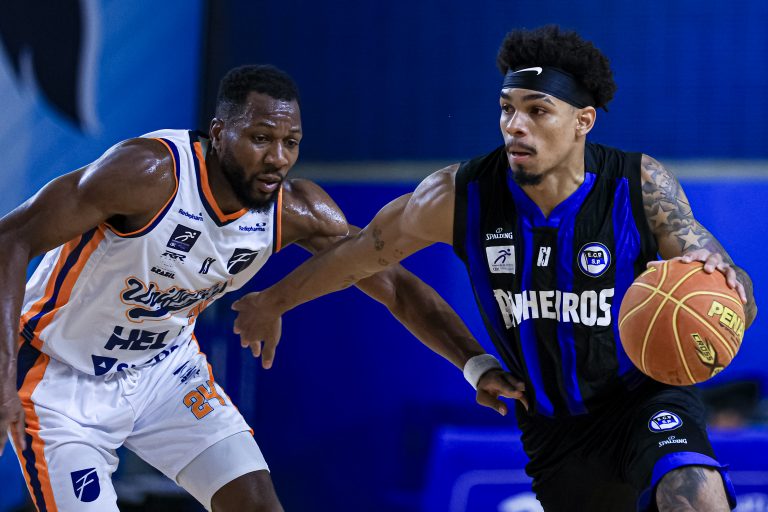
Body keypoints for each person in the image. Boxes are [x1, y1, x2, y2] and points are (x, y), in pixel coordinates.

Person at [232, 26, 758, 511]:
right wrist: (273, 301)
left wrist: (729, 287)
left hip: (642, 399)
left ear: (583, 121)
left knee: (695, 495)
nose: (515, 126)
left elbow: (736, 295)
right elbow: (365, 259)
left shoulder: (638, 185)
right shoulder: (458, 196)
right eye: (507, 108)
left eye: (537, 110)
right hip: (554, 429)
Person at [0, 65, 517, 512]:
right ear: (220, 132)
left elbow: (398, 287)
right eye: (261, 138)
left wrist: (475, 364)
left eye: (291, 142)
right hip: (59, 377)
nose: (278, 158)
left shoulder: (296, 211)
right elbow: (11, 239)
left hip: (164, 372)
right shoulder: (148, 174)